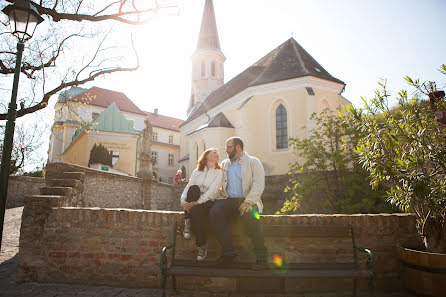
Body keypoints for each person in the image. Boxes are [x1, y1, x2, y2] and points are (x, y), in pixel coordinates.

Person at [210, 136, 268, 270]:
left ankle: (262, 258)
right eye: (226, 147)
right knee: (214, 212)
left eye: (229, 147)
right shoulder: (224, 164)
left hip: (247, 199)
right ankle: (229, 254)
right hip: (228, 200)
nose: (226, 150)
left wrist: (247, 203)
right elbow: (214, 182)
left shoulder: (254, 162)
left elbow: (259, 184)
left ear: (238, 147)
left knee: (252, 217)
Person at [180, 148, 223, 261]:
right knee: (194, 188)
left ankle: (202, 245)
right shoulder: (196, 171)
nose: (217, 155)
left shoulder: (218, 172)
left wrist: (197, 202)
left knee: (196, 211)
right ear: (207, 156)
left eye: (218, 154)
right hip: (194, 198)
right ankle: (187, 220)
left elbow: (213, 191)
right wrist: (183, 201)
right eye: (214, 153)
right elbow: (188, 187)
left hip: (208, 201)